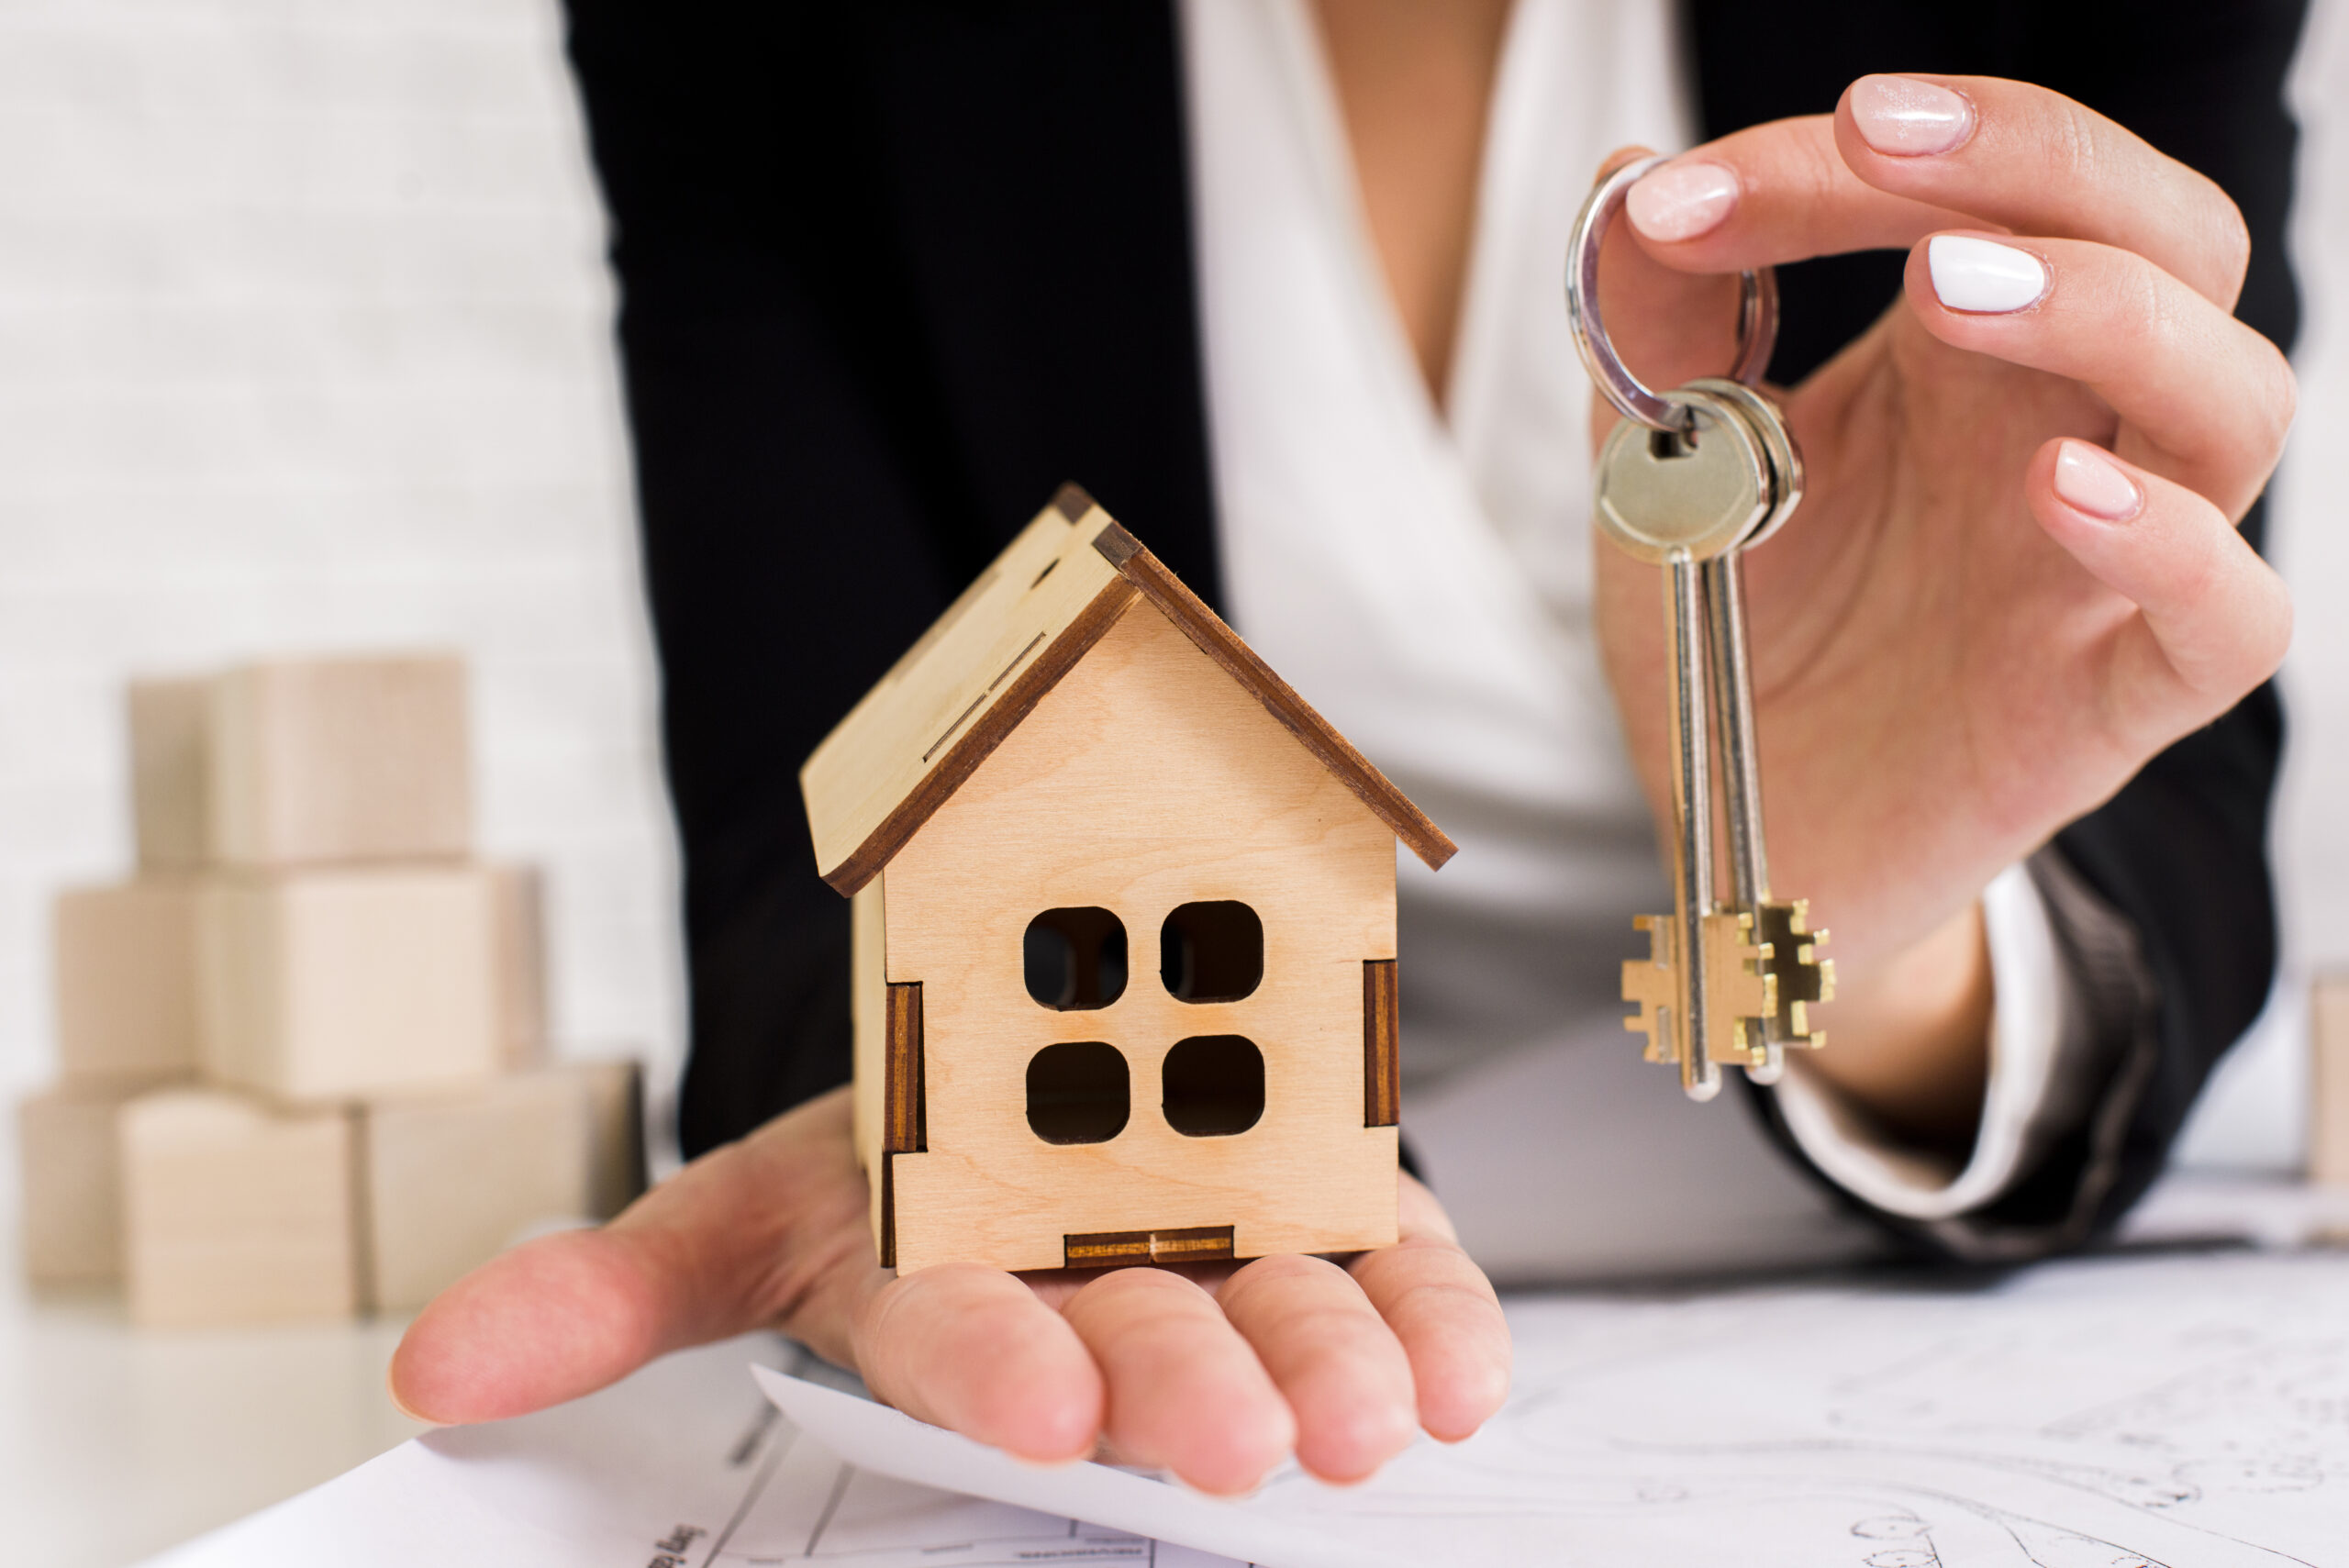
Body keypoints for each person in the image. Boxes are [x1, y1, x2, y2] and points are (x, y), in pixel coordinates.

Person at [389, 0, 2303, 1497]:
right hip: (1228, 1249)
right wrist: (932, 1109)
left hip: (1854, 1251)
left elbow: (2186, 824)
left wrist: (1868, 933)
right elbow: (807, 829)